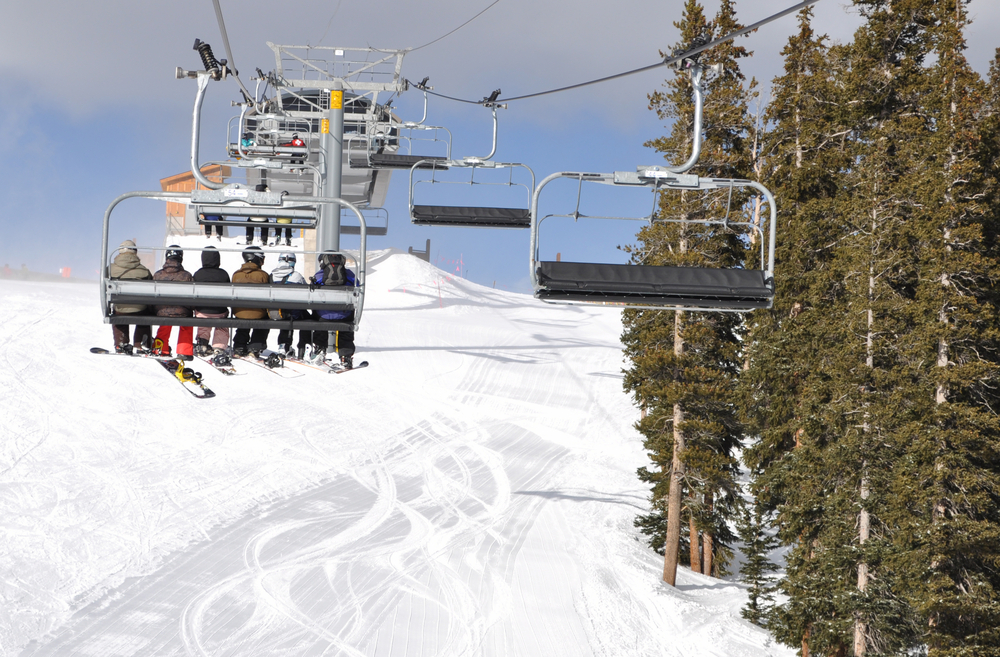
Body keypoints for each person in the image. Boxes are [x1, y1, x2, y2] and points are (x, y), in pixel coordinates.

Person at [311, 252, 356, 368]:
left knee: (317, 314)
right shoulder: (349, 275)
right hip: (344, 316)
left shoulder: (319, 275)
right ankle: (345, 356)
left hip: (323, 317)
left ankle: (320, 349)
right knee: (347, 321)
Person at [108, 240, 153, 353]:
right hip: (140, 309)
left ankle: (121, 343)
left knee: (119, 310)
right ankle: (141, 343)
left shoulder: (110, 269)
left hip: (120, 309)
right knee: (145, 312)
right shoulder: (144, 270)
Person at [152, 245, 194, 359]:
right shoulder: (187, 275)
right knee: (187, 320)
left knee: (165, 317)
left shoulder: (158, 274)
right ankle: (184, 350)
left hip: (161, 311)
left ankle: (162, 348)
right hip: (182, 311)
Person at [269, 252, 310, 358]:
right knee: (307, 318)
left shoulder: (272, 276)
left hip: (274, 312)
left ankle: (284, 344)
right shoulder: (296, 276)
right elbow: (307, 293)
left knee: (285, 313)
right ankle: (304, 347)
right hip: (292, 313)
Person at [191, 246, 230, 356]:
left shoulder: (198, 274)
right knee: (222, 326)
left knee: (204, 323)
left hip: (202, 311)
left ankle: (202, 343)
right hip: (219, 311)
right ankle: (219, 347)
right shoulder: (223, 274)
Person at [232, 245, 270, 356]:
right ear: (258, 259)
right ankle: (255, 346)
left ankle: (239, 345)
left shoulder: (236, 275)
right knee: (264, 317)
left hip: (239, 312)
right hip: (258, 313)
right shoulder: (263, 275)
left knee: (244, 314)